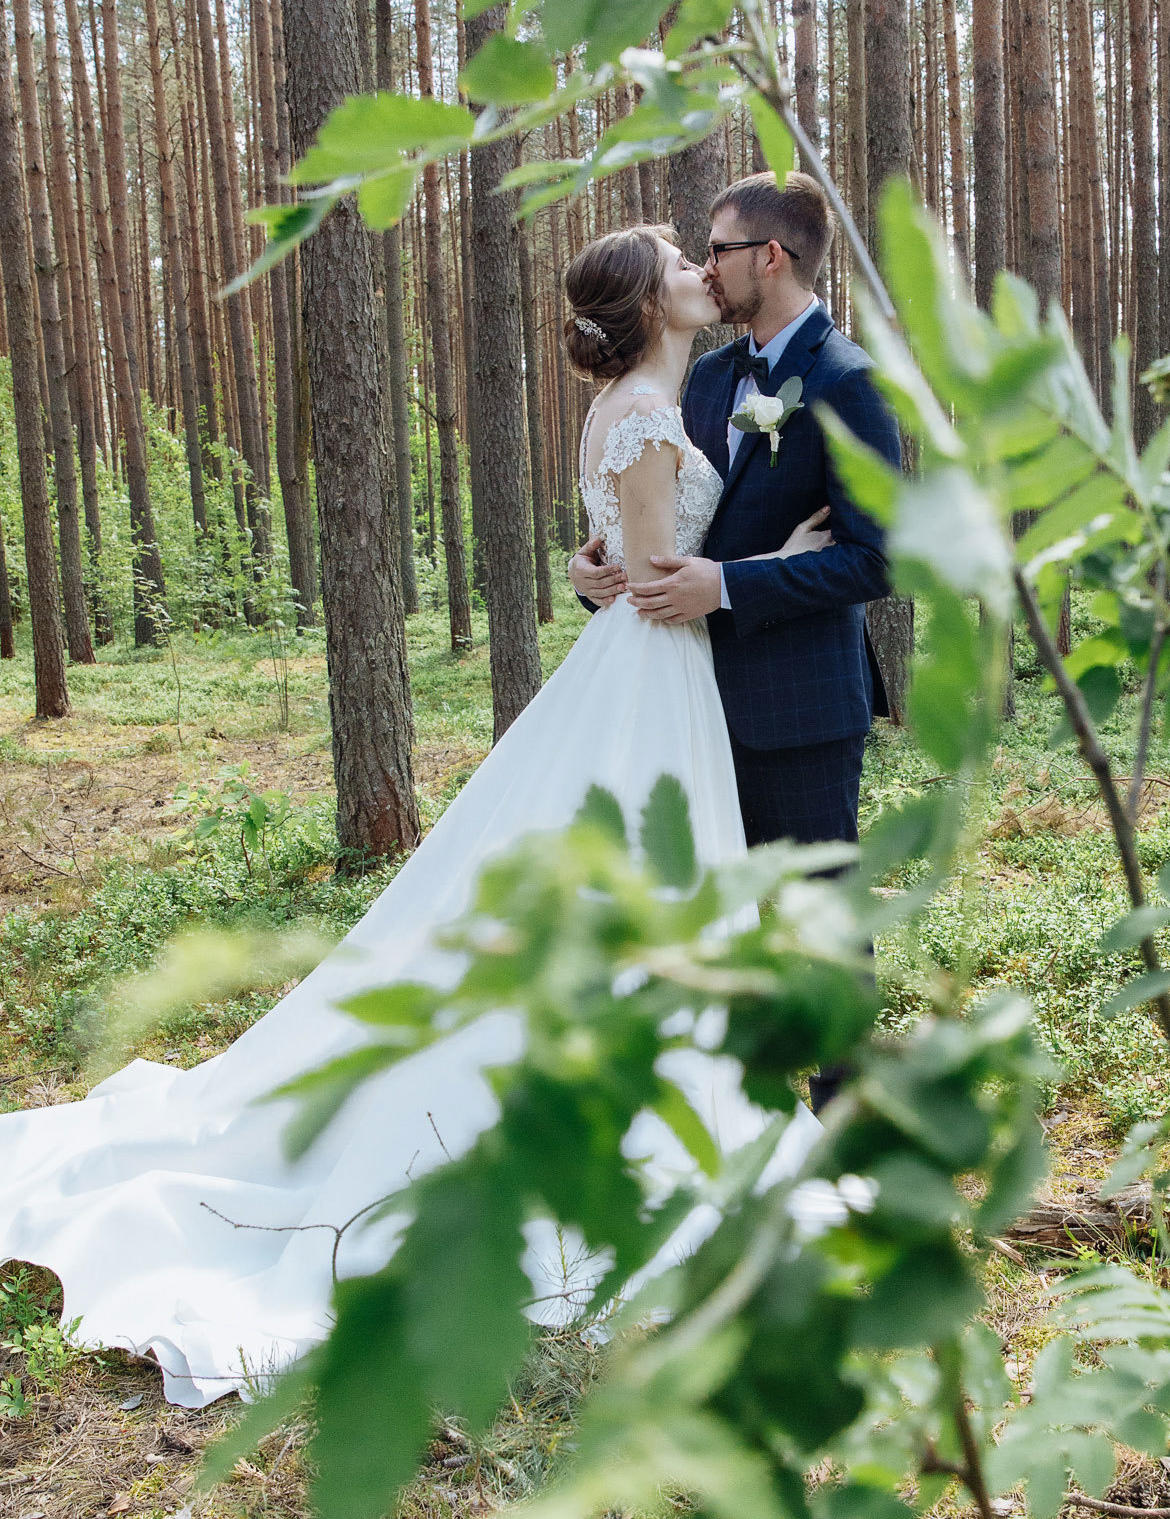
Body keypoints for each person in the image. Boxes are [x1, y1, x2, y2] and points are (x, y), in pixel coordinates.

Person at [0, 223, 839, 1408]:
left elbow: (620, 560)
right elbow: (659, 587)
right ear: (649, 302)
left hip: (638, 682)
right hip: (651, 684)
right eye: (678, 262)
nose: (702, 273)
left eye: (706, 258)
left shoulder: (652, 396)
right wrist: (772, 562)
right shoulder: (646, 414)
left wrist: (604, 566)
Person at [571, 174, 902, 1112]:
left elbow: (878, 560)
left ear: (771, 257)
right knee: (708, 927)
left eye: (715, 249)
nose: (704, 267)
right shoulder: (705, 377)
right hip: (685, 699)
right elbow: (658, 532)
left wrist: (734, 584)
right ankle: (733, 1121)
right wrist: (596, 570)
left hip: (797, 709)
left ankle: (840, 1130)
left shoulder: (849, 382)